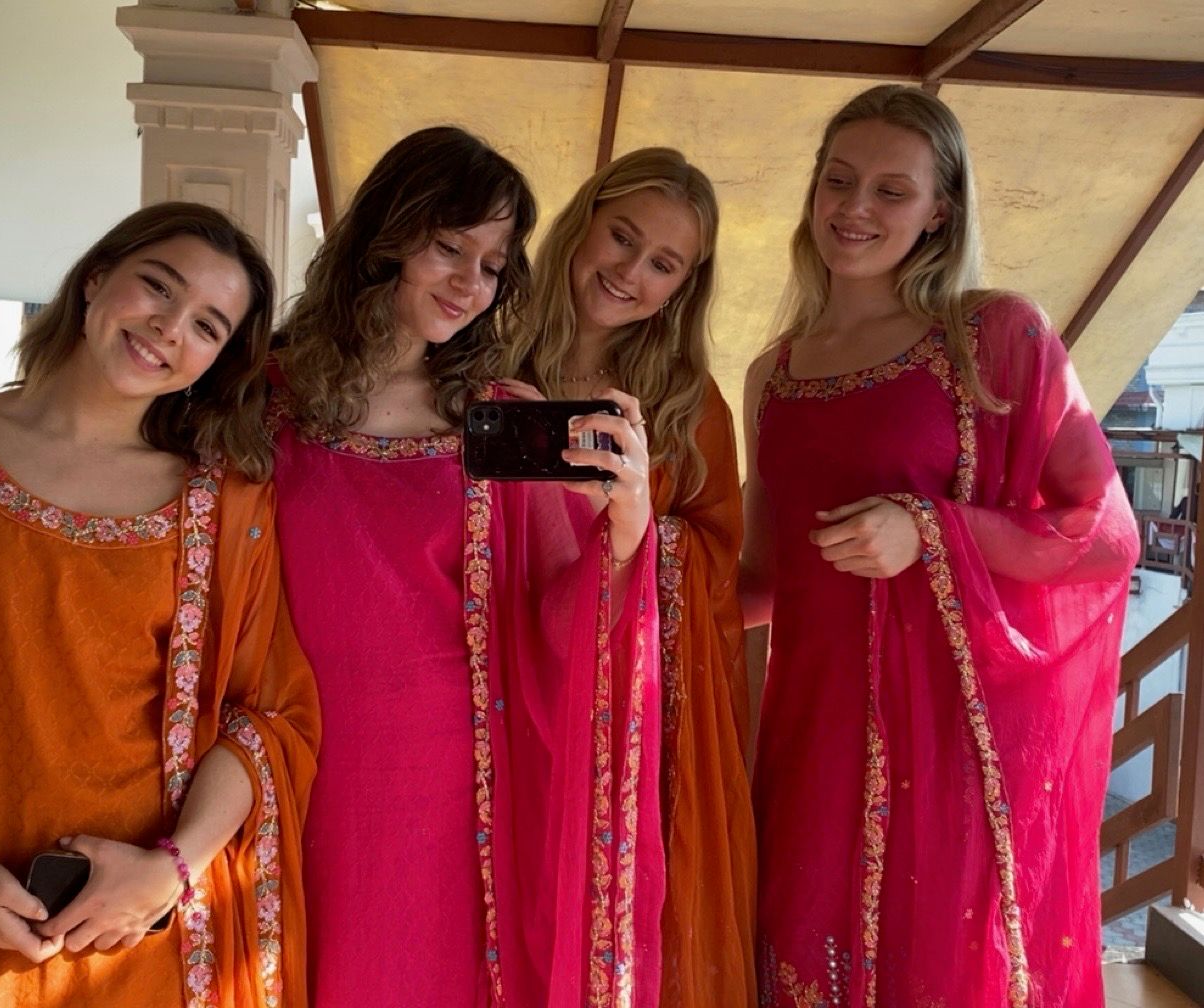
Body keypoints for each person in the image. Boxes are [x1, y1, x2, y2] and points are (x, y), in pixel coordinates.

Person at [0, 202, 318, 1007]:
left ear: (218, 360)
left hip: (148, 929)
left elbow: (265, 714)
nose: (169, 328)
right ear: (97, 277)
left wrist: (169, 871)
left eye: (207, 326)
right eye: (157, 287)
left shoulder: (223, 498)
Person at [741, 84, 1138, 1007]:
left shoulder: (993, 336)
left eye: (892, 190)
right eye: (839, 181)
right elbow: (765, 580)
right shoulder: (774, 373)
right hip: (812, 734)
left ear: (940, 210)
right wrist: (636, 568)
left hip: (956, 743)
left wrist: (930, 530)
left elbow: (1103, 534)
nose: (854, 209)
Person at [269, 125, 664, 1007]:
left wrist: (627, 527)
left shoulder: (495, 419)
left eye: (491, 264)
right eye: (449, 247)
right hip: (288, 770)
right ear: (385, 235)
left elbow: (564, 617)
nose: (468, 284)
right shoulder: (263, 403)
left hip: (454, 789)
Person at [501, 147, 755, 1008]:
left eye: (663, 265)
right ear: (584, 221)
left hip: (620, 708)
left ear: (684, 286)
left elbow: (721, 559)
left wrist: (636, 520)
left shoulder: (689, 403)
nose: (630, 272)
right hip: (490, 674)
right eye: (622, 237)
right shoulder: (482, 350)